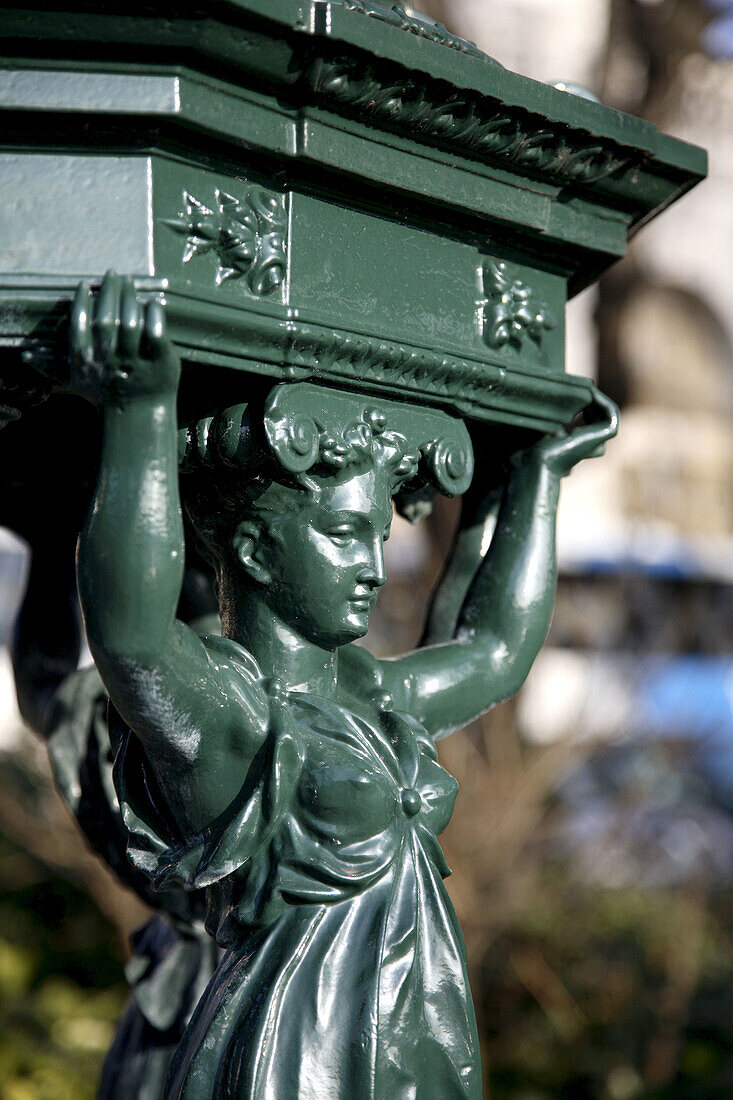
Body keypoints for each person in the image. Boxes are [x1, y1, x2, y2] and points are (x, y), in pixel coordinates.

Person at [69, 271, 617, 1099]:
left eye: (376, 539)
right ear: (253, 552)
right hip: (295, 1059)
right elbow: (131, 633)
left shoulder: (375, 697)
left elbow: (496, 648)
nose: (370, 568)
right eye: (340, 537)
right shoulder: (235, 714)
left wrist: (538, 475)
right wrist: (141, 411)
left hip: (421, 1050)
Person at [1, 386, 221, 1100]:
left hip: (206, 1003)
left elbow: (46, 688)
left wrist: (46, 532)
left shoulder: (220, 706)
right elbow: (52, 690)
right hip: (194, 997)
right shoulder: (141, 709)